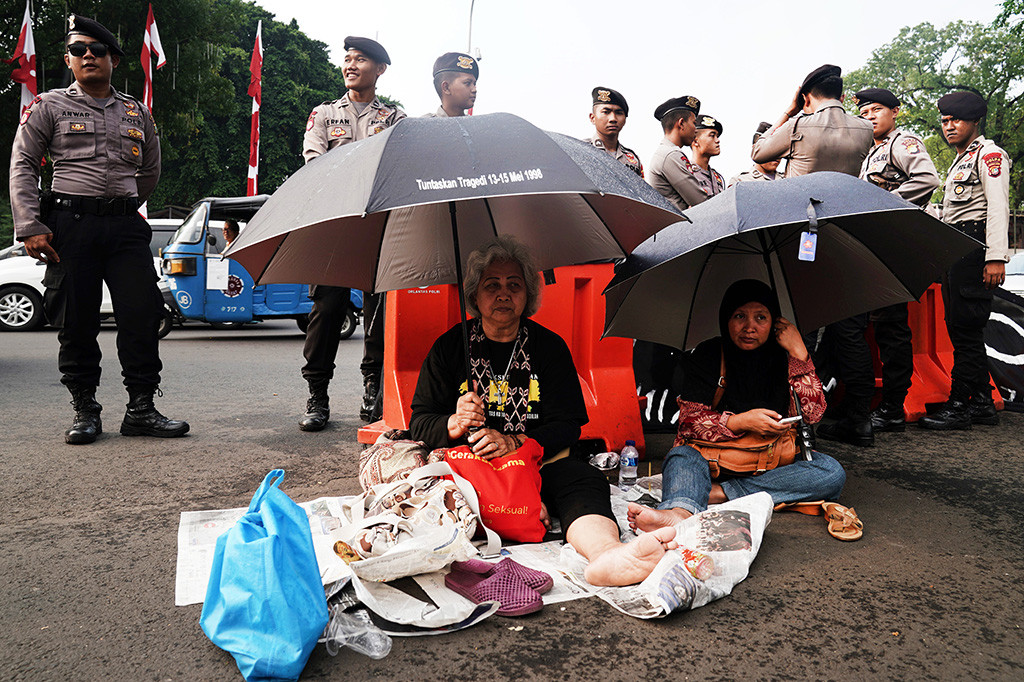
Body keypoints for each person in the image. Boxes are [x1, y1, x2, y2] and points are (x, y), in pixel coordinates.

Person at [410, 236, 679, 586]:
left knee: (584, 480)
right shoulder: (449, 348)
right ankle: (515, 512)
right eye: (491, 285)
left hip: (538, 463)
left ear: (529, 294)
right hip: (471, 472)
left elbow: (568, 426)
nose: (503, 294)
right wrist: (454, 422)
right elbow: (419, 423)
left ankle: (607, 555)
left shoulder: (549, 348)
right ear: (475, 295)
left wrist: (516, 441)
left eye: (514, 285)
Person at [9, 15, 188, 445]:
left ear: (113, 58)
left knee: (142, 316)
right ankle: (85, 409)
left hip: (125, 227)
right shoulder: (49, 106)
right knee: (77, 319)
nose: (88, 55)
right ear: (68, 59)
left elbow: (150, 171)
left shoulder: (136, 111)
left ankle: (141, 409)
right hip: (71, 225)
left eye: (97, 49)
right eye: (78, 50)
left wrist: (124, 205)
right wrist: (31, 224)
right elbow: (23, 165)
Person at [626, 280, 846, 530]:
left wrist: (799, 353)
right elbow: (688, 423)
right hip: (712, 461)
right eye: (739, 316)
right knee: (681, 457)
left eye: (761, 318)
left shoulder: (785, 356)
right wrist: (740, 421)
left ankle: (719, 494)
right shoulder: (709, 354)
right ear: (725, 320)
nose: (749, 327)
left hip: (772, 461)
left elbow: (812, 413)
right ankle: (679, 513)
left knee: (830, 471)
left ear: (774, 322)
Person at [299, 36, 406, 430]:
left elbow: (396, 167)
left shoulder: (394, 119)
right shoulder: (324, 114)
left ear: (379, 70)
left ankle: (372, 390)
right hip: (334, 225)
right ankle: (316, 396)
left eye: (361, 59)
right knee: (326, 311)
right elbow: (315, 163)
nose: (351, 64)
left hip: (378, 228)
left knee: (378, 314)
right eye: (347, 59)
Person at [919, 91, 1011, 430]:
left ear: (975, 122)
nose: (949, 126)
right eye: (944, 121)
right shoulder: (962, 159)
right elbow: (957, 211)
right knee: (960, 329)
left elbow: (998, 208)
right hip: (959, 249)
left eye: (956, 120)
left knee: (966, 331)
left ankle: (959, 405)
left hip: (976, 249)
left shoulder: (989, 155)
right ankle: (983, 402)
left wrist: (996, 257)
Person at [857, 88, 941, 435]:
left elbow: (927, 179)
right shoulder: (869, 154)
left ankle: (893, 406)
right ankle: (880, 403)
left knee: (892, 329)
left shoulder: (902, 143)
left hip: (895, 243)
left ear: (895, 112)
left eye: (877, 110)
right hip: (875, 247)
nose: (871, 116)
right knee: (875, 326)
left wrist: (884, 202)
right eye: (864, 112)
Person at [752, 64, 873, 178]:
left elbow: (757, 152)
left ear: (806, 98)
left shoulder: (796, 126)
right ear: (842, 98)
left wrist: (789, 112)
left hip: (802, 199)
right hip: (847, 200)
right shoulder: (867, 128)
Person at [647, 95, 707, 211]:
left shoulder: (665, 152)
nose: (696, 129)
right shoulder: (671, 155)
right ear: (681, 123)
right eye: (694, 123)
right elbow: (700, 201)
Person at [584, 87, 643, 178]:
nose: (613, 119)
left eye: (619, 113)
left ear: (625, 120)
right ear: (592, 118)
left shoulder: (632, 159)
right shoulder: (582, 150)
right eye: (606, 112)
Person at [425, 52, 478, 118]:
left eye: (474, 84)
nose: (474, 90)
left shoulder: (476, 126)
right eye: (467, 83)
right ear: (446, 88)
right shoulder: (423, 126)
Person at [690, 115, 725, 197]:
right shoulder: (687, 174)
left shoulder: (717, 177)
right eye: (712, 136)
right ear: (695, 141)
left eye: (717, 136)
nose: (717, 140)